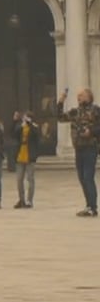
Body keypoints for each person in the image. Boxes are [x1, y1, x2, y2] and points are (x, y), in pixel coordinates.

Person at [58, 88, 100, 216]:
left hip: (90, 147)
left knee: (88, 177)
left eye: (81, 95)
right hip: (79, 148)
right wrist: (61, 102)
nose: (79, 97)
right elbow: (60, 117)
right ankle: (88, 205)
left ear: (89, 96)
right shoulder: (75, 112)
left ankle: (93, 207)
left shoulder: (95, 110)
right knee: (82, 178)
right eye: (78, 96)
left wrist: (91, 132)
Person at [12, 110, 43, 209]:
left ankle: (29, 200)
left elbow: (37, 136)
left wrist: (30, 124)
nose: (25, 119)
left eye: (27, 117)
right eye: (24, 117)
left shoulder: (34, 127)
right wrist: (20, 124)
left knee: (30, 178)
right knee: (19, 179)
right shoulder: (21, 126)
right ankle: (21, 200)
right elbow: (14, 134)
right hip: (20, 154)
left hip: (30, 155)